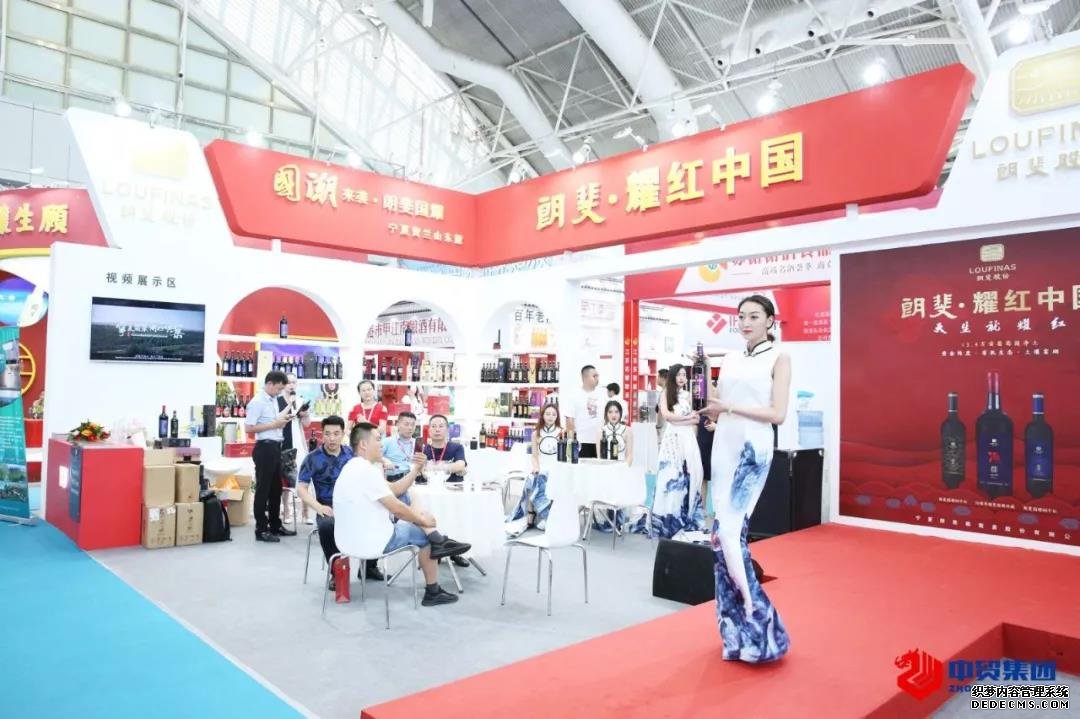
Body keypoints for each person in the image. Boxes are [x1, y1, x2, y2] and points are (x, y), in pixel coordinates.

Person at [706, 294, 791, 663]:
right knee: (718, 537)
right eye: (741, 316)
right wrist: (710, 406)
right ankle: (735, 631)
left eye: (754, 316)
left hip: (754, 448)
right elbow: (719, 405)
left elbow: (778, 413)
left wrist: (729, 407)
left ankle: (760, 618)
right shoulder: (729, 358)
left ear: (770, 321)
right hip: (723, 444)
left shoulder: (779, 357)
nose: (745, 323)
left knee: (729, 532)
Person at [332, 422, 469, 607]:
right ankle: (433, 589)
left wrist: (415, 470)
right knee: (424, 537)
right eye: (378, 439)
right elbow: (396, 508)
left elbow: (395, 490)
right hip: (373, 540)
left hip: (346, 540)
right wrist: (422, 520)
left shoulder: (353, 466)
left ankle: (437, 538)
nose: (381, 444)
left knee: (411, 495)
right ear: (364, 444)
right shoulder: (367, 471)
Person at [296, 416, 384, 585]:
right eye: (327, 434)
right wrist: (318, 507)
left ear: (343, 434)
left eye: (336, 433)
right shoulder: (312, 458)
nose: (332, 438)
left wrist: (384, 461)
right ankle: (337, 573)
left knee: (378, 515)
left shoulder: (353, 454)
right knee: (327, 525)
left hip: (354, 503)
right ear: (322, 434)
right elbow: (301, 489)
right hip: (327, 506)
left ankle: (370, 566)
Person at [643, 363, 704, 538]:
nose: (682, 378)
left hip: (687, 438)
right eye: (679, 375)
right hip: (672, 439)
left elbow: (696, 418)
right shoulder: (665, 394)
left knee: (689, 474)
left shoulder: (689, 395)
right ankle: (666, 518)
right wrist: (687, 419)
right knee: (669, 475)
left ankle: (685, 517)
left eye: (684, 375)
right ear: (672, 377)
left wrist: (685, 420)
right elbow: (667, 416)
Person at [245, 371, 296, 542]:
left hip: (275, 448)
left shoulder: (273, 400)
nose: (280, 392)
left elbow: (273, 421)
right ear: (270, 384)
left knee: (276, 489)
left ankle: (275, 525)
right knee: (263, 490)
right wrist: (274, 424)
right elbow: (249, 428)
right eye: (278, 388)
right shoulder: (257, 402)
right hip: (264, 449)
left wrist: (284, 418)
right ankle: (261, 529)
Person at [505, 403, 561, 537]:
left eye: (554, 414)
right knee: (534, 478)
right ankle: (532, 514)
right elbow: (535, 456)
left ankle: (548, 517)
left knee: (547, 479)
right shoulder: (536, 433)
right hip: (541, 466)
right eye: (548, 414)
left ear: (557, 417)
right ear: (542, 415)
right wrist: (536, 467)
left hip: (557, 467)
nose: (550, 417)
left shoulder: (561, 433)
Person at [592, 400, 638, 534]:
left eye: (616, 412)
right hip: (605, 470)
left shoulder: (627, 430)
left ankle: (618, 521)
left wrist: (624, 469)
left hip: (621, 470)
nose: (613, 415)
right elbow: (599, 455)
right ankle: (606, 520)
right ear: (606, 414)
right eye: (610, 412)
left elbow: (630, 455)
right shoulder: (601, 430)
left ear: (620, 413)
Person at [279, 373, 313, 526]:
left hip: (298, 442)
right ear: (283, 384)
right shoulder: (278, 401)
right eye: (288, 382)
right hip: (283, 442)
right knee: (285, 479)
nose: (291, 385)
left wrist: (305, 415)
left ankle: (305, 513)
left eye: (294, 382)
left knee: (303, 477)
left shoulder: (300, 401)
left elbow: (307, 424)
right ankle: (286, 511)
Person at [565, 364, 606, 458]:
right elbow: (569, 421)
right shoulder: (574, 395)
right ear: (585, 377)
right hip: (581, 442)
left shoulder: (603, 395)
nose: (597, 378)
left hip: (600, 442)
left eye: (598, 376)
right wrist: (571, 443)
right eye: (594, 376)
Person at [421, 415, 466, 482]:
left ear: (447, 430)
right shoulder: (423, 449)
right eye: (433, 426)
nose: (437, 430)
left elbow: (460, 465)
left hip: (452, 487)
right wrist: (451, 467)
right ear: (429, 430)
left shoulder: (457, 447)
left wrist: (430, 468)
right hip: (430, 486)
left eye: (441, 426)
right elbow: (418, 469)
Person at [655, 368, 669, 441]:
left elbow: (661, 412)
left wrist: (658, 426)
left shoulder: (664, 393)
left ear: (663, 378)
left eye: (658, 377)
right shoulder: (667, 392)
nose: (657, 379)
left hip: (664, 427)